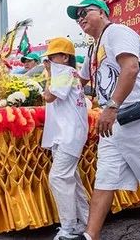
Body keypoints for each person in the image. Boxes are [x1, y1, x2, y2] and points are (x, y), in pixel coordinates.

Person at [68, 0, 140, 240]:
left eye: (85, 12)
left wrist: (112, 106)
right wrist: (54, 75)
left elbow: (129, 68)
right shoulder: (93, 47)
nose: (81, 19)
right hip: (115, 122)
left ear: (102, 12)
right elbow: (83, 81)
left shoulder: (117, 32)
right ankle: (90, 236)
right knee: (105, 177)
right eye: (78, 17)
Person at [41, 37, 89, 240]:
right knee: (72, 179)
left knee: (58, 178)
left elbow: (49, 96)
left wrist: (49, 74)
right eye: (49, 57)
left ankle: (68, 228)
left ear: (64, 57)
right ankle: (85, 222)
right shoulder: (68, 73)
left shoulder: (64, 72)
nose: (49, 61)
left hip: (69, 134)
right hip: (66, 133)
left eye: (53, 56)